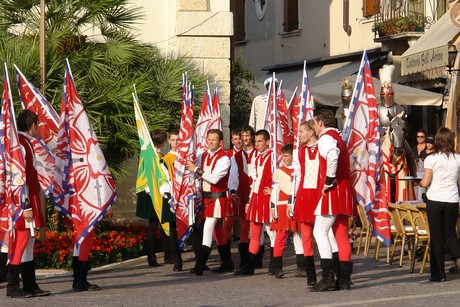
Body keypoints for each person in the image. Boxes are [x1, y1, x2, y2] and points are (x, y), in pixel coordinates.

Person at [3, 110, 51, 298]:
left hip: (29, 199)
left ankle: (30, 284)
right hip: (23, 203)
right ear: (32, 125)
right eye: (37, 125)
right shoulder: (20, 146)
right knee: (21, 243)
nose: (38, 129)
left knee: (28, 244)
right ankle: (12, 286)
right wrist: (26, 206)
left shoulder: (26, 144)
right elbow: (18, 179)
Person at [310, 109, 354, 291]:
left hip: (333, 190)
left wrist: (328, 180)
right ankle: (343, 279)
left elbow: (333, 155)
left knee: (319, 232)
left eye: (314, 123)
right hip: (343, 190)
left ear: (320, 123)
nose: (313, 127)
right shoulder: (338, 137)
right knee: (340, 235)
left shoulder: (327, 138)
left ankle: (327, 278)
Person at [187, 129, 233, 276]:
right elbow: (195, 173)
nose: (211, 142)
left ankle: (200, 265)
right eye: (209, 139)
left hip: (218, 198)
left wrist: (197, 170)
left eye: (214, 140)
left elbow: (214, 179)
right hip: (206, 197)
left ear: (220, 142)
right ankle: (227, 263)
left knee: (207, 228)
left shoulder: (224, 158)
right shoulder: (203, 156)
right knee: (217, 231)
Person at [419, 127, 460, 282]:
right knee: (450, 234)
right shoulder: (458, 158)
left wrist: (419, 181)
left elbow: (425, 182)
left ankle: (438, 274)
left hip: (435, 199)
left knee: (436, 237)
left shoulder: (432, 158)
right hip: (452, 200)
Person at [234, 129, 272, 276]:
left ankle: (276, 264)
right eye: (255, 141)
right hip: (256, 197)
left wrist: (274, 191)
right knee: (254, 233)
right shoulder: (256, 157)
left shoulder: (273, 156)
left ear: (267, 142)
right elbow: (254, 180)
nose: (257, 144)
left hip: (267, 198)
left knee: (271, 232)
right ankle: (249, 265)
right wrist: (250, 199)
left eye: (260, 141)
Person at [289, 120, 321, 286]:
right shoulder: (300, 151)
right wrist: (293, 200)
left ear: (310, 132)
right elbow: (298, 176)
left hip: (319, 194)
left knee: (324, 234)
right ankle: (311, 274)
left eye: (301, 131)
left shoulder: (323, 147)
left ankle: (329, 269)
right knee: (306, 235)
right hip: (304, 195)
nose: (298, 135)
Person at [267, 143, 302, 279]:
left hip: (295, 206)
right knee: (280, 237)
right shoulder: (279, 171)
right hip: (282, 207)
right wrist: (273, 207)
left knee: (298, 236)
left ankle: (301, 266)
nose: (283, 158)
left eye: (286, 156)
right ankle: (277, 267)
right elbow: (275, 191)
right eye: (283, 155)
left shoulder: (299, 171)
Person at [135, 129, 168, 267]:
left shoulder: (145, 153)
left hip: (145, 191)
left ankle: (152, 257)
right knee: (159, 225)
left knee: (152, 225)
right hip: (154, 192)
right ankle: (159, 257)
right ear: (164, 142)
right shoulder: (157, 156)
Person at [228, 126, 258, 269]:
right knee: (244, 226)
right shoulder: (237, 156)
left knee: (259, 226)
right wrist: (233, 191)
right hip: (243, 192)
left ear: (252, 137)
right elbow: (234, 174)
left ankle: (257, 257)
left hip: (257, 191)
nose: (244, 138)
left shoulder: (259, 153)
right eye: (242, 136)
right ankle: (244, 259)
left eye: (247, 135)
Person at [160, 130, 183, 272]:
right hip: (171, 198)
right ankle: (177, 260)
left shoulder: (186, 159)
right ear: (169, 141)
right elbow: (163, 180)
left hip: (185, 197)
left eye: (178, 140)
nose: (176, 143)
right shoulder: (165, 160)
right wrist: (170, 195)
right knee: (173, 231)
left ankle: (200, 260)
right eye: (173, 140)